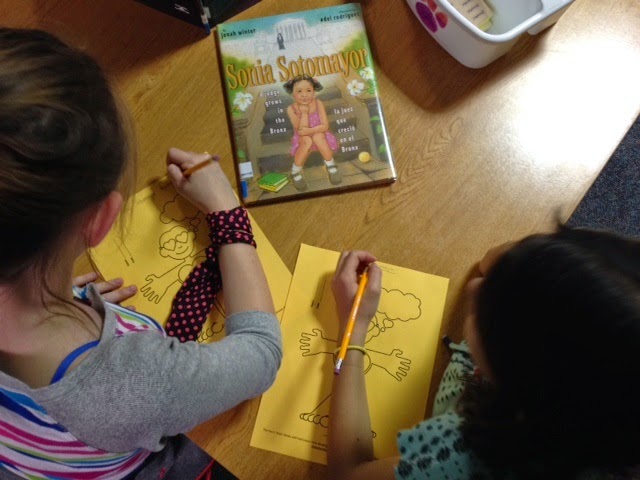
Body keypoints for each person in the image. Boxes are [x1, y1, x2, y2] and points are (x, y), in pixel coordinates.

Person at [0, 28, 281, 479]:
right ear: (100, 221)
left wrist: (51, 299)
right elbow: (261, 354)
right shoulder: (135, 384)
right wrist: (225, 209)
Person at [328, 227, 640, 480]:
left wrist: (353, 326)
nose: (475, 287)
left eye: (488, 313)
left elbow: (348, 474)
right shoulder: (603, 400)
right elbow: (491, 260)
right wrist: (544, 261)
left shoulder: (467, 458)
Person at [284, 74, 341, 191]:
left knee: (318, 136)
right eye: (299, 91)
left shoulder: (318, 103)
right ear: (293, 94)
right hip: (302, 139)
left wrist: (310, 130)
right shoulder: (291, 109)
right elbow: (301, 131)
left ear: (314, 92)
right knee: (307, 140)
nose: (304, 95)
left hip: (320, 135)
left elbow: (325, 126)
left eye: (308, 90)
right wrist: (304, 113)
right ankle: (295, 171)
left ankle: (331, 166)